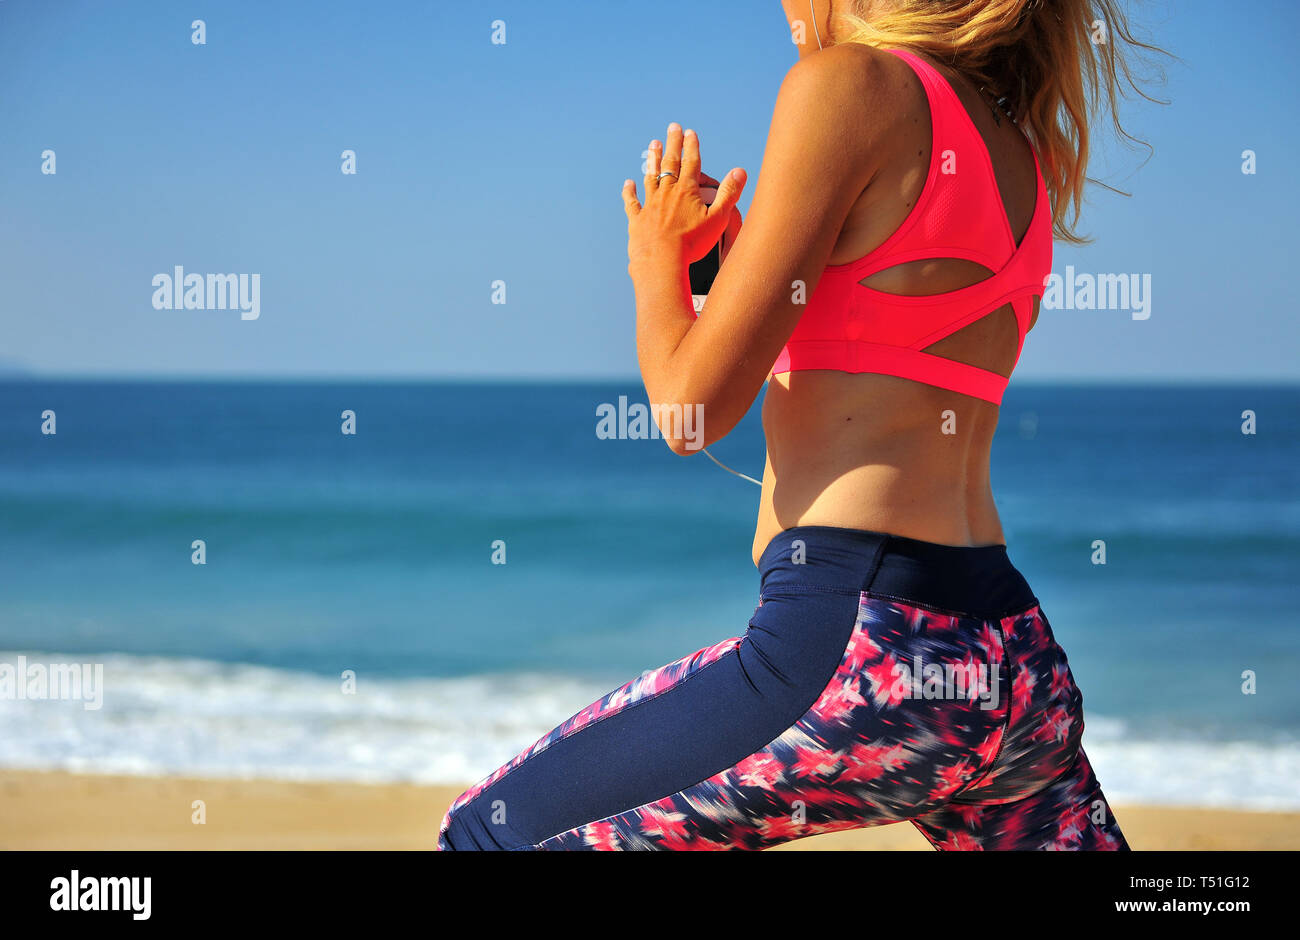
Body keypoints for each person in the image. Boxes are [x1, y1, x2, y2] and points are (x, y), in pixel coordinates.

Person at [438, 0, 1166, 850]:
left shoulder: (847, 84)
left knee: (487, 832)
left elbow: (691, 410)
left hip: (866, 644)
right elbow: (870, 339)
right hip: (1011, 662)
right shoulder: (1019, 148)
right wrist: (724, 262)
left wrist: (652, 260)